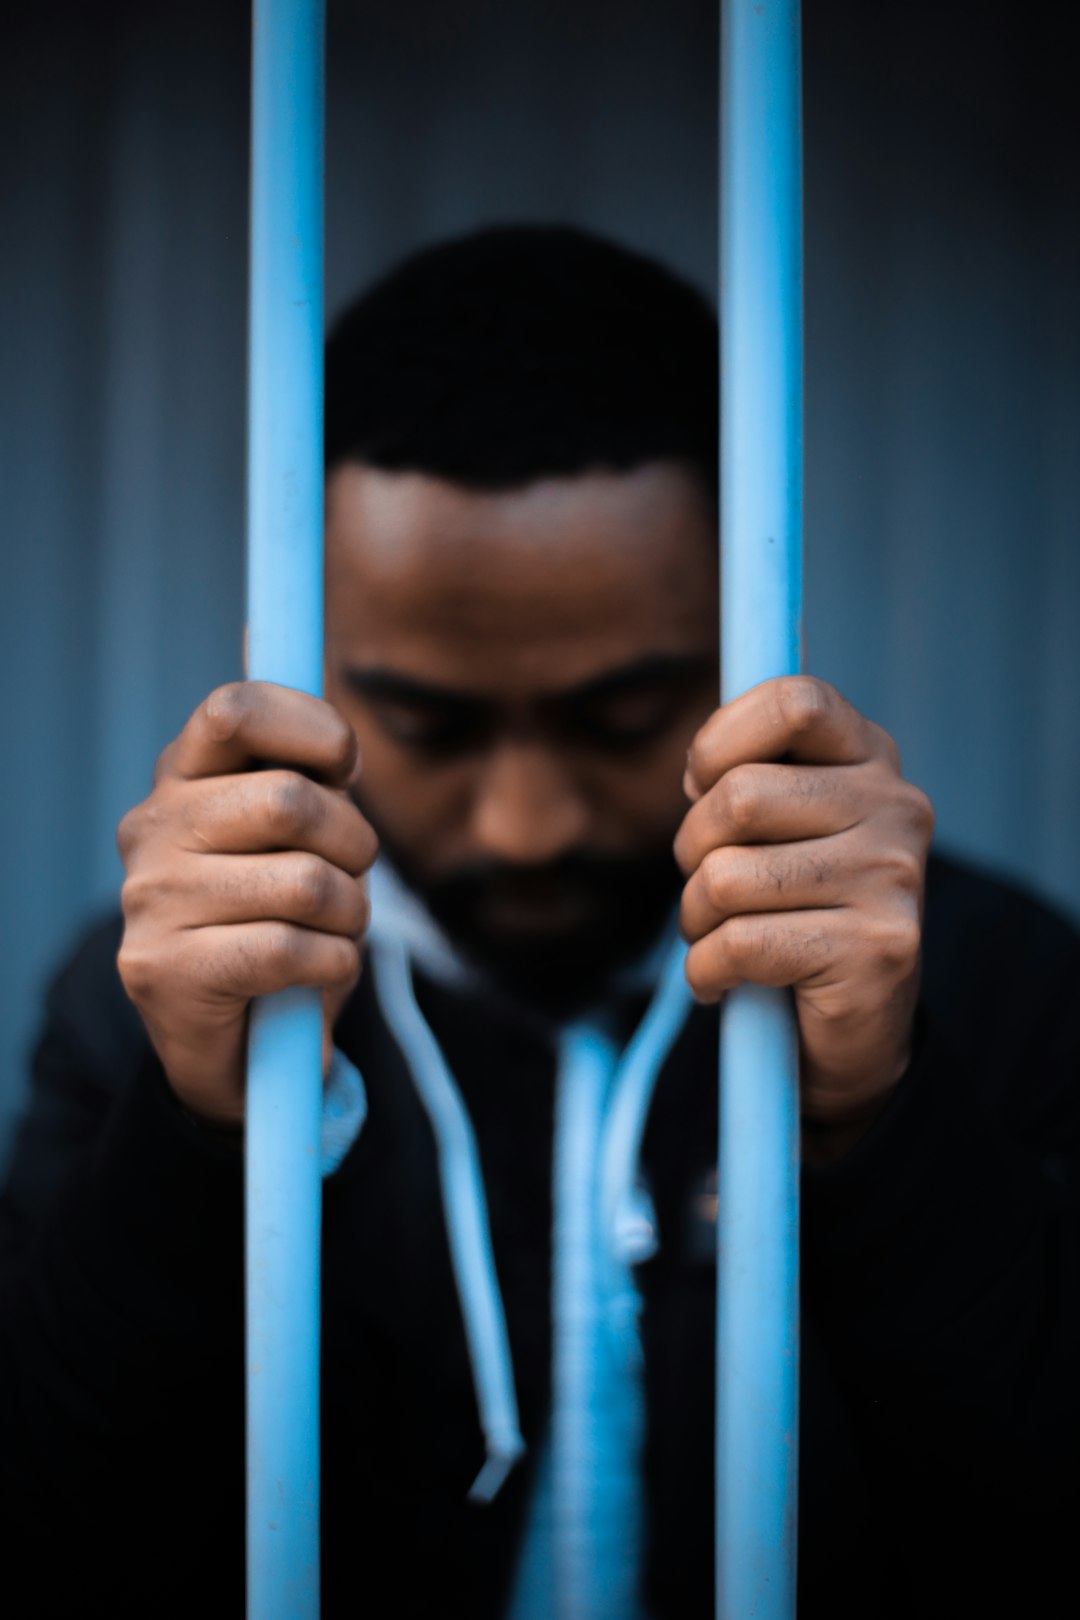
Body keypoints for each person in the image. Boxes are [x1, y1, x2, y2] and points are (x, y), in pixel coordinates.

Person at [1, 225, 1078, 1620]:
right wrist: (201, 1139)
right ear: (312, 643)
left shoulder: (987, 982)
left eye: (623, 715)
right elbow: (50, 1537)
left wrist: (881, 1123)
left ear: (755, 632)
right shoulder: (158, 995)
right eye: (430, 722)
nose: (525, 823)